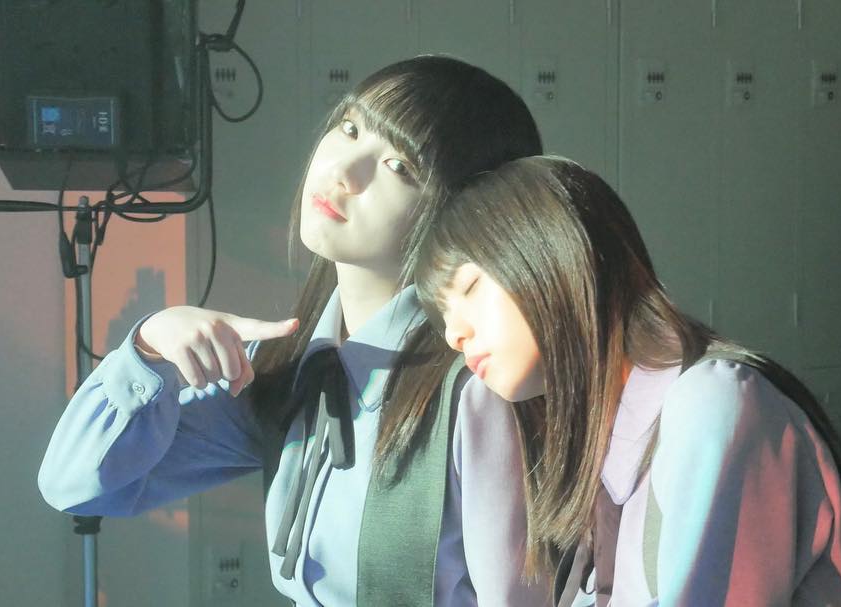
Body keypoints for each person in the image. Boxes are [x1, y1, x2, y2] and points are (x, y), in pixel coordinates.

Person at [38, 56, 549, 606]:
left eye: (399, 166)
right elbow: (77, 485)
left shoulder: (476, 388)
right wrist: (148, 347)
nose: (344, 171)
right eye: (350, 128)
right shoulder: (289, 366)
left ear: (463, 211)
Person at [415, 155, 841, 605]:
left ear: (554, 253)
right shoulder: (606, 441)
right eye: (444, 315)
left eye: (470, 287)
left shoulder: (710, 403)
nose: (456, 334)